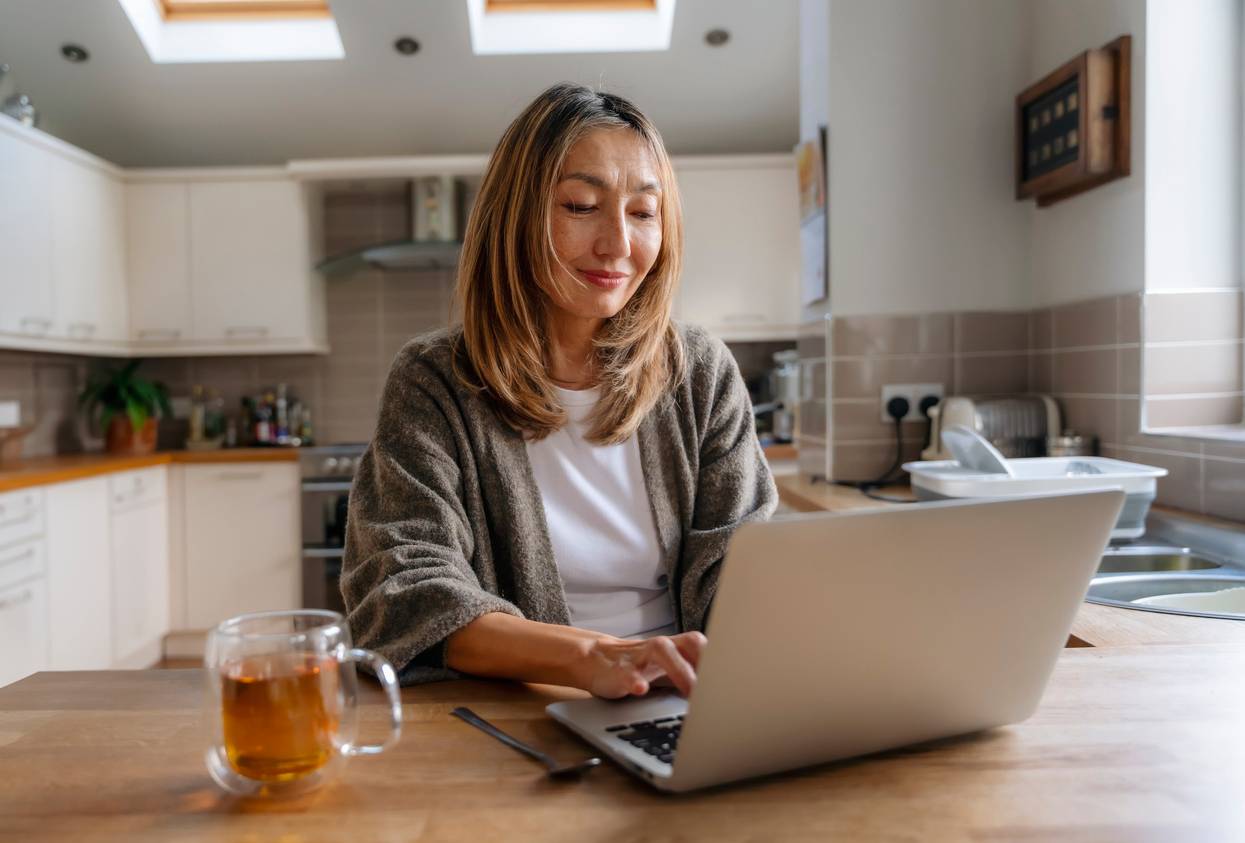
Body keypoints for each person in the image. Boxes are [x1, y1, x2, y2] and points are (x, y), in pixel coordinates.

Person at [342, 82, 776, 699]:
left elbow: (746, 567)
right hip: (520, 706)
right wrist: (592, 660)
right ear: (515, 214)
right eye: (579, 205)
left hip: (686, 701)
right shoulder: (433, 379)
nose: (618, 246)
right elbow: (408, 590)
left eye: (643, 212)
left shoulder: (699, 372)